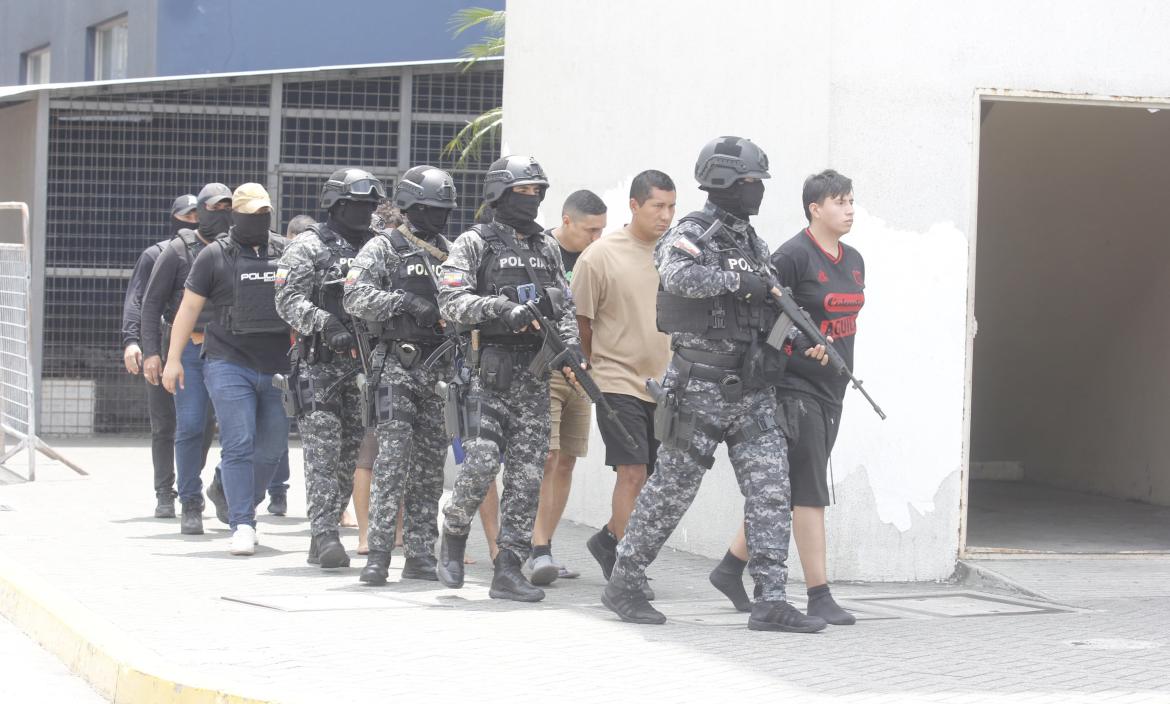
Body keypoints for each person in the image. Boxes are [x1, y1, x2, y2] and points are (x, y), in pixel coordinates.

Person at [600, 136, 827, 633]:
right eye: (750, 183)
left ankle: (770, 599)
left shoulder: (751, 240)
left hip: (751, 389)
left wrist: (798, 334)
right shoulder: (692, 230)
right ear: (724, 181)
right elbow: (676, 275)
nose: (757, 193)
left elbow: (766, 300)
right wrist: (735, 281)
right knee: (672, 491)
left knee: (771, 490)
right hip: (698, 384)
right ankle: (625, 580)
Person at [711, 169, 862, 626]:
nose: (849, 209)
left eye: (851, 200)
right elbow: (767, 319)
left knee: (792, 485)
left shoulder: (854, 259)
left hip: (833, 386)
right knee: (810, 492)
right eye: (839, 201)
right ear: (815, 209)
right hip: (795, 388)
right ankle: (819, 593)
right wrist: (800, 346)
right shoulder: (792, 256)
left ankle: (729, 568)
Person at [434, 155, 581, 602]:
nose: (532, 200)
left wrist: (571, 349)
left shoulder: (547, 246)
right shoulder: (474, 242)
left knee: (527, 477)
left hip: (534, 377)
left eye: (538, 192)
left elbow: (564, 306)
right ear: (499, 194)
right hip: (487, 373)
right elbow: (450, 302)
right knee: (479, 465)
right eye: (523, 192)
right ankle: (455, 532)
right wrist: (500, 309)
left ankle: (509, 568)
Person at [343, 165, 457, 585]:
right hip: (398, 365)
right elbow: (354, 295)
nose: (439, 216)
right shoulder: (383, 248)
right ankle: (378, 554)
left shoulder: (454, 250)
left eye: (444, 209)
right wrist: (403, 301)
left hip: (442, 367)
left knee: (430, 465)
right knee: (392, 461)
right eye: (430, 208)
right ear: (410, 207)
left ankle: (422, 552)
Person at [163, 183, 290, 556]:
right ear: (235, 215)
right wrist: (173, 360)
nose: (257, 221)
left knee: (271, 450)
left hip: (278, 365)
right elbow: (187, 310)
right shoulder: (213, 256)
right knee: (239, 442)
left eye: (263, 215)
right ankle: (243, 522)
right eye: (250, 215)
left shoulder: (286, 251)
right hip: (228, 361)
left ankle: (224, 487)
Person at [274, 169, 383, 569]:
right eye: (357, 205)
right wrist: (325, 323)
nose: (365, 212)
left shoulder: (379, 246)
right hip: (319, 364)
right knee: (322, 451)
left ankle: (327, 523)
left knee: (350, 454)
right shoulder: (308, 246)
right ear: (336, 205)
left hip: (366, 365)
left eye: (370, 206)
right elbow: (287, 300)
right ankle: (323, 534)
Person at [575, 172, 676, 598]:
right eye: (658, 206)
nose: (667, 216)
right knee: (632, 471)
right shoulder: (599, 256)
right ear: (634, 205)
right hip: (615, 380)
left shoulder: (677, 255)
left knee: (657, 479)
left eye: (672, 207)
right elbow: (581, 321)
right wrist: (590, 373)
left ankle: (608, 541)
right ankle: (626, 570)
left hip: (665, 386)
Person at [528, 189, 607, 585]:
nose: (596, 238)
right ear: (567, 221)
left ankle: (546, 546)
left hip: (583, 372)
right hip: (545, 369)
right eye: (590, 230)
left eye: (602, 231)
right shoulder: (539, 251)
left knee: (567, 460)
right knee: (546, 456)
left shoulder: (598, 257)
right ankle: (535, 547)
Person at [141, 186, 226, 534]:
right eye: (215, 208)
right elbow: (149, 304)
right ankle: (187, 499)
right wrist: (151, 352)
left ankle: (221, 487)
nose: (222, 214)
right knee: (186, 426)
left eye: (229, 207)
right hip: (188, 350)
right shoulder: (176, 251)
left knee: (230, 432)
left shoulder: (236, 248)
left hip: (229, 350)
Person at [121, 194, 196, 519]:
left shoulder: (208, 250)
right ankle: (165, 492)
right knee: (164, 424)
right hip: (163, 340)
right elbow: (139, 300)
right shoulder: (157, 254)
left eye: (198, 215)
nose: (193, 222)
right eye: (187, 216)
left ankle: (197, 489)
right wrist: (133, 341)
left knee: (199, 426)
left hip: (202, 345)